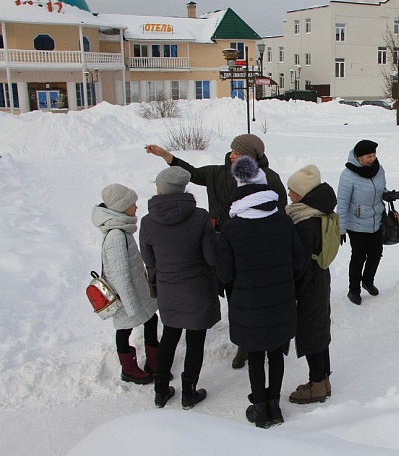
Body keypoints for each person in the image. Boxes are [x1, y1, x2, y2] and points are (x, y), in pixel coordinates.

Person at [145, 134, 286, 369]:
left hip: (252, 246)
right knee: (231, 295)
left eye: (237, 153)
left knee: (253, 294)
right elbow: (191, 173)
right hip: (220, 244)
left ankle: (256, 343)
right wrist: (167, 156)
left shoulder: (269, 178)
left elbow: (279, 210)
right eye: (232, 151)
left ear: (251, 157)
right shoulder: (216, 173)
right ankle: (242, 340)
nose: (231, 155)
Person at [216, 156, 305, 429]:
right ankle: (275, 406)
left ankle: (260, 408)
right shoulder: (282, 220)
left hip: (248, 303)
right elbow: (299, 262)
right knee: (276, 352)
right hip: (281, 300)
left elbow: (224, 274)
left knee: (255, 354)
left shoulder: (231, 228)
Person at [140, 167, 221, 409]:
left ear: (160, 189)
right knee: (196, 340)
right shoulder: (200, 217)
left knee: (170, 336)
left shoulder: (147, 221)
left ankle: (161, 391)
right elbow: (212, 258)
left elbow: (149, 260)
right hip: (198, 290)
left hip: (168, 289)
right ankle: (189, 392)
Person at [92, 184, 161, 385]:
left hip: (138, 291)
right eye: (132, 204)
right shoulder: (116, 235)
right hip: (126, 295)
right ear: (121, 207)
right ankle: (129, 370)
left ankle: (154, 363)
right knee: (124, 329)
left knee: (151, 319)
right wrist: (130, 306)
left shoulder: (122, 228)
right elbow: (120, 274)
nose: (136, 207)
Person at [284, 165, 336, 404]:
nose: (289, 195)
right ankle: (323, 379)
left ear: (302, 194)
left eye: (292, 191)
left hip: (308, 282)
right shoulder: (320, 211)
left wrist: (290, 284)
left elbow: (299, 261)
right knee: (319, 328)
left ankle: (316, 385)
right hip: (321, 277)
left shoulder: (305, 220)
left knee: (310, 332)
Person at [337, 139, 387, 305]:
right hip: (356, 223)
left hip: (376, 220)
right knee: (359, 257)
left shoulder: (379, 170)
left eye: (374, 155)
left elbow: (381, 189)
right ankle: (354, 290)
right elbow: (342, 203)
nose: (372, 158)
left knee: (376, 253)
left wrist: (387, 194)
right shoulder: (348, 175)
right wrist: (341, 229)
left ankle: (367, 281)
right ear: (358, 157)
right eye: (368, 156)